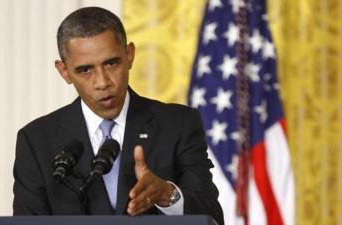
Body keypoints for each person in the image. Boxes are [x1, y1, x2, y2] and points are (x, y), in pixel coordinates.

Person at [13, 6, 224, 225]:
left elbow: (212, 217)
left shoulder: (177, 124)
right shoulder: (37, 140)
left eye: (111, 63)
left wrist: (166, 195)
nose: (103, 82)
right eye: (85, 70)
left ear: (129, 54)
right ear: (64, 71)